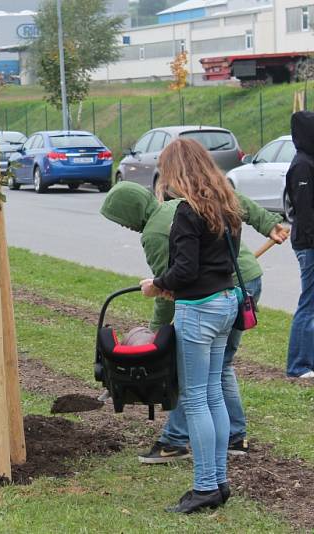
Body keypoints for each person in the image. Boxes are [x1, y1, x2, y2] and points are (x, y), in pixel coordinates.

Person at [100, 181, 287, 464]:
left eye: (122, 220)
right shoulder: (178, 205)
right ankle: (235, 437)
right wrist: (268, 223)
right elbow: (234, 200)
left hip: (224, 289)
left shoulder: (153, 233)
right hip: (245, 279)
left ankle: (175, 441)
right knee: (220, 365)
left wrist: (156, 334)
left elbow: (168, 289)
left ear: (132, 211)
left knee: (194, 371)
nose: (125, 227)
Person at [138, 138, 244, 513]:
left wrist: (157, 285)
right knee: (213, 394)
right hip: (226, 303)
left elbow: (185, 269)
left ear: (176, 171)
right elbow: (214, 263)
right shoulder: (226, 204)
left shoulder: (187, 210)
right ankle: (218, 482)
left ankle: (204, 488)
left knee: (197, 398)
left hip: (199, 310)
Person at [285, 111, 314, 379]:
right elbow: (305, 214)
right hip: (309, 244)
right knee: (309, 303)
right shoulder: (302, 165)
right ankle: (298, 365)